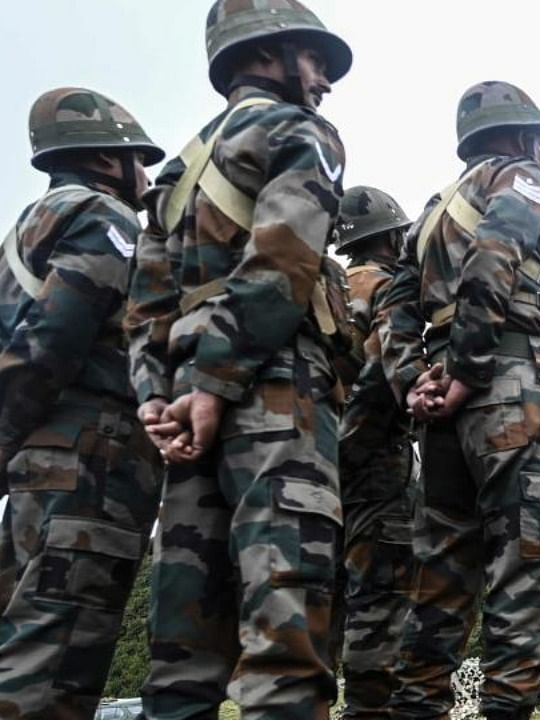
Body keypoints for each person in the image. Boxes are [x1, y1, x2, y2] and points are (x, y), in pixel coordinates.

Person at [122, 1, 352, 718]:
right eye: (315, 59)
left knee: (184, 649)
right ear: (267, 54)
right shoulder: (298, 131)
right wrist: (218, 383)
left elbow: (145, 308)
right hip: (272, 394)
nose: (325, 80)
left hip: (186, 414)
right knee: (286, 625)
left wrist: (158, 398)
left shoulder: (178, 174)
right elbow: (283, 262)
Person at [380, 81, 540, 720]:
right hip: (510, 390)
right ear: (529, 137)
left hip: (441, 415)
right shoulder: (519, 177)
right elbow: (495, 257)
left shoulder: (427, 218)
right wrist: (470, 369)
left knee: (439, 582)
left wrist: (416, 378)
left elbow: (392, 308)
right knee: (525, 566)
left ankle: (417, 709)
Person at [0, 87, 165, 719]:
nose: (145, 177)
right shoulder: (105, 218)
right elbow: (54, 337)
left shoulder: (33, 221)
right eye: (137, 160)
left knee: (26, 632)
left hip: (43, 461)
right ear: (105, 160)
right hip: (89, 461)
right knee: (57, 656)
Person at [333, 186, 419, 718]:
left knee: (320, 606)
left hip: (312, 474)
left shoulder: (326, 288)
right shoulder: (389, 289)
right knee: (381, 606)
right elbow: (390, 373)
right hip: (375, 471)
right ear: (392, 237)